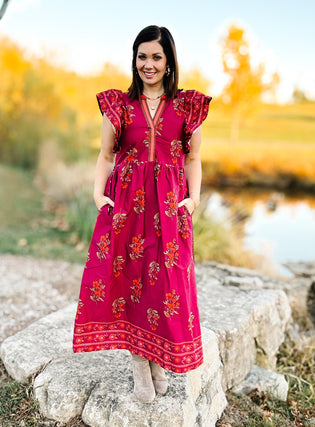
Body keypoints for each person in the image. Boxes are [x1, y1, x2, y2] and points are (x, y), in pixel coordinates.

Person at [73, 25, 212, 403]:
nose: (148, 64)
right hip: (128, 210)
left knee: (166, 284)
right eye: (142, 56)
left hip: (168, 210)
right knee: (130, 280)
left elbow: (193, 157)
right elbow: (105, 155)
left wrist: (194, 198)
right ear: (134, 60)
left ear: (169, 62)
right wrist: (98, 195)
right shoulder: (119, 105)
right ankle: (139, 362)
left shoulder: (187, 106)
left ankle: (158, 357)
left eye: (156, 57)